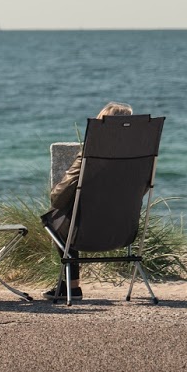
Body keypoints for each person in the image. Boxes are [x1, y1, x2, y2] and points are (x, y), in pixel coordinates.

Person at [42, 101, 134, 301]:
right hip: (124, 231)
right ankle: (68, 285)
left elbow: (58, 196)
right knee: (70, 219)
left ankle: (72, 286)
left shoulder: (89, 153)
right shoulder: (138, 157)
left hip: (88, 233)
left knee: (54, 218)